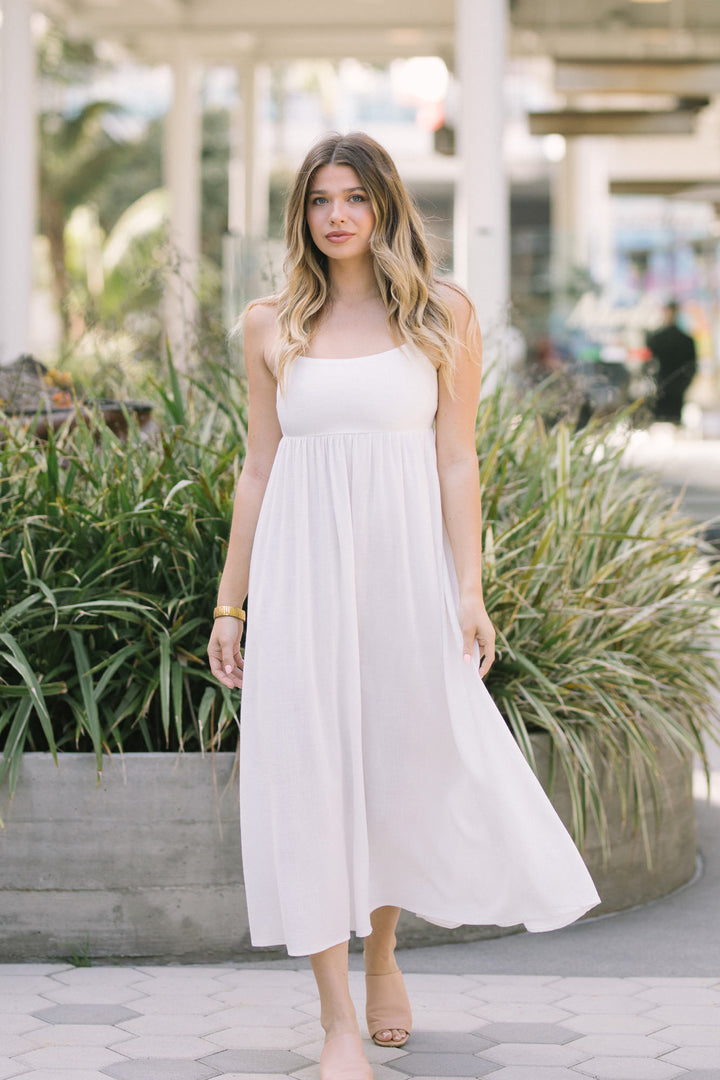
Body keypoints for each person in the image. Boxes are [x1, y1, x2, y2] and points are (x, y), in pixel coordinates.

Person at [208, 131, 600, 1080]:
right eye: (318, 199)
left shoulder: (441, 313)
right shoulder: (270, 324)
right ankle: (337, 1019)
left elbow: (457, 459)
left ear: (385, 206)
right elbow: (257, 469)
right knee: (308, 776)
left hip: (402, 574)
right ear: (300, 214)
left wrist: (467, 591)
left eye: (355, 197)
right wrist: (232, 608)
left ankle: (384, 957)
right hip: (301, 583)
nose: (337, 215)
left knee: (393, 767)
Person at [647, 299, 697, 424]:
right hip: (664, 388)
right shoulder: (657, 339)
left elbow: (692, 365)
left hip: (669, 389)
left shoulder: (658, 339)